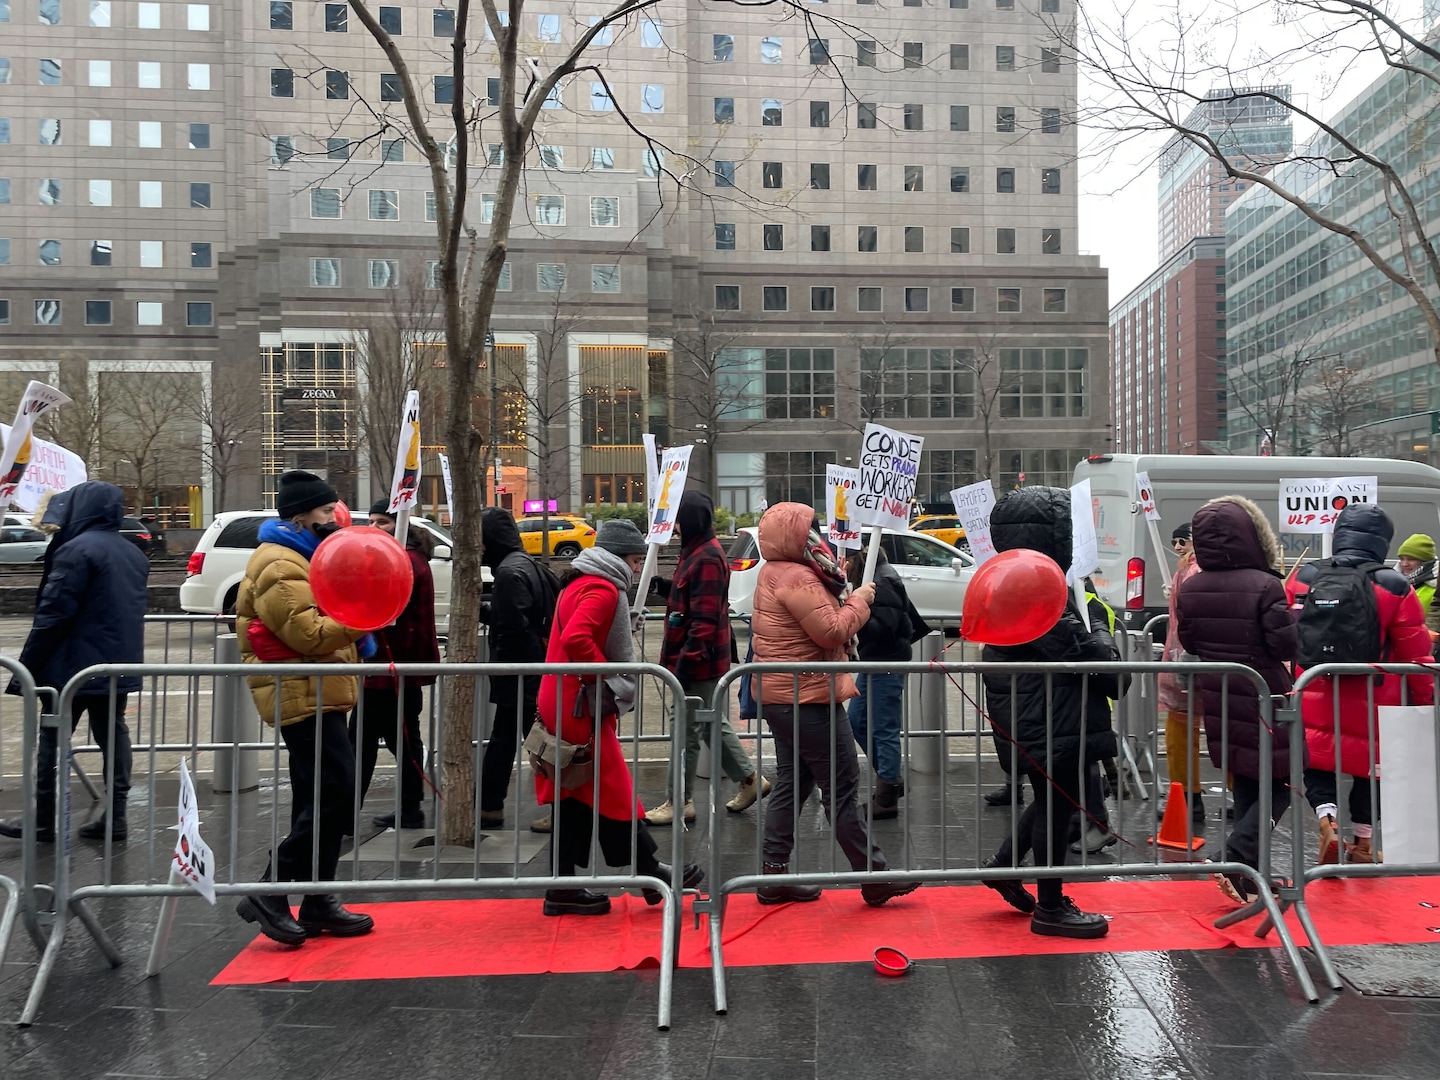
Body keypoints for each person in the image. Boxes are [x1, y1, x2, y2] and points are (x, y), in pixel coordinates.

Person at [749, 503, 917, 908]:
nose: (817, 536)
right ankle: (873, 875)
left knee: (794, 782)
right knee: (841, 786)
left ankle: (773, 873)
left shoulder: (777, 570)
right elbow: (832, 630)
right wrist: (859, 600)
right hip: (806, 698)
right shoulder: (798, 576)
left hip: (787, 695)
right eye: (811, 530)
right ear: (798, 536)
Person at [976, 487, 1123, 938]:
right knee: (1056, 807)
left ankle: (1004, 866)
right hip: (1049, 711)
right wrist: (1099, 629)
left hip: (1032, 708)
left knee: (1052, 798)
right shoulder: (1039, 586)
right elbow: (1100, 666)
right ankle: (1052, 906)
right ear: (1054, 535)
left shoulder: (1006, 576)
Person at [233, 470, 374, 946]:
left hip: (320, 692)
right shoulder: (278, 564)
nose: (335, 517)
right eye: (324, 510)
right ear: (299, 517)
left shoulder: (304, 557)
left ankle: (316, 898)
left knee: (320, 798)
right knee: (336, 791)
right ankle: (270, 891)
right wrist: (362, 619)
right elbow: (308, 634)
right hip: (302, 694)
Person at [535, 518, 702, 915]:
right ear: (618, 557)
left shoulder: (579, 581)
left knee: (576, 792)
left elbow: (576, 635)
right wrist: (608, 674)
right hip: (580, 702)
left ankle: (570, 886)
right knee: (610, 789)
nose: (636, 567)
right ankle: (649, 872)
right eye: (634, 559)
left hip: (565, 698)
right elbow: (579, 638)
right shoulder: (602, 588)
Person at [0, 482, 148, 844]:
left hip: (70, 667)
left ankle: (43, 819)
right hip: (116, 666)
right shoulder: (133, 553)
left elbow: (53, 616)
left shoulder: (75, 551)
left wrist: (27, 669)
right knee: (113, 736)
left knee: (52, 739)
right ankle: (116, 817)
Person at [1288, 505, 1433, 865]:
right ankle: (1363, 845)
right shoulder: (1395, 585)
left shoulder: (1305, 577)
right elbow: (1417, 654)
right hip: (1376, 697)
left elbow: (1289, 635)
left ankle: (1327, 820)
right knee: (1373, 771)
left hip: (1315, 689)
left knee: (1317, 762)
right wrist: (1426, 700)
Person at [1175, 496, 1297, 903]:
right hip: (1265, 693)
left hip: (1221, 694)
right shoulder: (1265, 584)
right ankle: (1234, 857)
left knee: (1248, 780)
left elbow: (1190, 640)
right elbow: (1285, 641)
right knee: (1282, 785)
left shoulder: (1192, 586)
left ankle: (1249, 877)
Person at [646, 491, 770, 826]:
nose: (674, 528)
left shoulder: (705, 556)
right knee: (711, 723)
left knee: (684, 730)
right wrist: (669, 587)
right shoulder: (700, 552)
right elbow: (697, 600)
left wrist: (684, 666)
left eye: (678, 521)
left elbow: (703, 620)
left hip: (696, 660)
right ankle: (749, 780)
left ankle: (679, 800)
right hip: (699, 658)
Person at [348, 499, 440, 831]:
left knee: (365, 741)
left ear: (400, 524)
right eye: (370, 522)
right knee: (393, 740)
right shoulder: (403, 558)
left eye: (382, 523)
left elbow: (382, 608)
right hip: (389, 667)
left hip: (392, 667)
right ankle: (408, 808)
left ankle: (347, 814)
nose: (374, 529)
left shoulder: (407, 562)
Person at [478, 507, 552, 832]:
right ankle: (489, 805)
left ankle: (558, 805)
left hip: (521, 673)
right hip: (529, 671)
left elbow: (513, 626)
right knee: (510, 739)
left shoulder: (509, 573)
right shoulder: (527, 565)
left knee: (532, 742)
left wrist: (502, 668)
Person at [843, 545, 929, 819]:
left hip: (887, 662)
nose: (841, 565)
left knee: (883, 728)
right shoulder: (877, 577)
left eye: (845, 559)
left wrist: (854, 614)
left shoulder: (882, 581)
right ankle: (890, 778)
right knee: (858, 721)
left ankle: (887, 795)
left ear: (857, 559)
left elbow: (886, 628)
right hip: (876, 661)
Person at [1155, 521, 1206, 826]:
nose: (1177, 547)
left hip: (1189, 661)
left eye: (1182, 540)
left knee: (1182, 731)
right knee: (1226, 730)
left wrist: (1185, 654)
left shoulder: (1193, 572)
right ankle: (1238, 795)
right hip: (1213, 664)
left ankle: (1188, 796)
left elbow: (1187, 621)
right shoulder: (1197, 569)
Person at [1397, 534, 1438, 639]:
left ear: (1425, 562)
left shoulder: (1436, 585)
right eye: (1402, 558)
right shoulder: (1392, 583)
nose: (1404, 564)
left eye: (1411, 559)